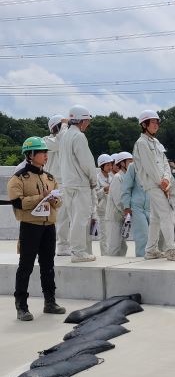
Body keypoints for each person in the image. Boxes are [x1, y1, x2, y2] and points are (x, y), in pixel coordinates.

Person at [8, 137, 66, 321]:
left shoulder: (49, 178)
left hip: (49, 227)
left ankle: (50, 302)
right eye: (42, 152)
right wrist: (39, 197)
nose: (45, 156)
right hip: (30, 227)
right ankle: (21, 306)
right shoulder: (19, 179)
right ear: (30, 155)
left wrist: (53, 199)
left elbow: (59, 202)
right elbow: (17, 203)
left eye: (46, 152)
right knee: (25, 267)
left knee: (48, 266)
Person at [133, 110, 175, 261]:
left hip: (163, 184)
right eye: (153, 122)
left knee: (156, 218)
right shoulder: (141, 143)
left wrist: (167, 180)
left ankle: (150, 250)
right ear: (144, 124)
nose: (156, 125)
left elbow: (165, 163)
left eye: (157, 122)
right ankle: (170, 249)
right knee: (167, 214)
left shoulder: (156, 143)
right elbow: (150, 167)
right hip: (153, 185)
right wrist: (162, 183)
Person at [60, 105, 97, 263]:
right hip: (80, 183)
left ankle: (75, 250)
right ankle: (78, 252)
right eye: (87, 121)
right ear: (82, 120)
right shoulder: (79, 137)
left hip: (67, 183)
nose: (87, 124)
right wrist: (93, 180)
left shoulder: (65, 136)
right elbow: (87, 162)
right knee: (80, 219)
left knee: (73, 218)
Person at [43, 114, 71, 256]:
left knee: (66, 216)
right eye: (61, 126)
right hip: (52, 183)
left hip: (66, 182)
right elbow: (60, 142)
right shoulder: (46, 141)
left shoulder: (65, 138)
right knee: (60, 216)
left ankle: (64, 245)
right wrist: (65, 125)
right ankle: (61, 246)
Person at [105, 152, 133, 256]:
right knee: (114, 246)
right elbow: (119, 201)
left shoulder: (127, 178)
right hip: (114, 218)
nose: (132, 164)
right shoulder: (118, 178)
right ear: (122, 163)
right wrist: (128, 211)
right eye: (129, 161)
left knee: (122, 247)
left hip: (122, 217)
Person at [121, 161, 150, 258]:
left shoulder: (156, 166)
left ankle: (152, 256)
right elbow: (126, 187)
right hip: (137, 206)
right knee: (143, 235)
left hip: (152, 205)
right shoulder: (133, 166)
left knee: (155, 236)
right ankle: (141, 257)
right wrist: (126, 206)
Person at [96, 153, 114, 256]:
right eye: (107, 165)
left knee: (111, 234)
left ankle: (111, 254)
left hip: (111, 210)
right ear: (101, 166)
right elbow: (95, 195)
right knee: (104, 235)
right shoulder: (97, 178)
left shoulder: (112, 178)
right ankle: (105, 255)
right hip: (102, 211)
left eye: (110, 165)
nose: (110, 167)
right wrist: (104, 190)